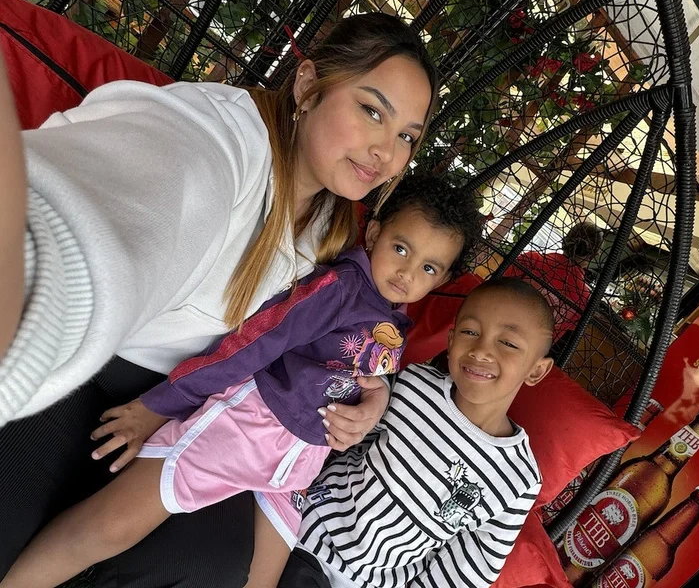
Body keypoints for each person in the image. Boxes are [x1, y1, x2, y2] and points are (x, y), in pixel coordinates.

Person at [0, 13, 438, 587]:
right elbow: (98, 215)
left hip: (192, 404)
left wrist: (366, 400)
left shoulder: (336, 228)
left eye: (407, 136)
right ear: (309, 86)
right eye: (372, 111)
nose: (385, 150)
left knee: (220, 565)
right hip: (89, 372)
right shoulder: (215, 140)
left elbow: (300, 345)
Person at [0, 173, 482, 588]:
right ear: (374, 233)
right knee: (114, 524)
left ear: (440, 280)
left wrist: (378, 397)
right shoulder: (339, 289)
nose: (407, 272)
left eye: (428, 267)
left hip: (298, 463)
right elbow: (253, 343)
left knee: (260, 580)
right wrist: (163, 403)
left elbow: (362, 374)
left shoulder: (392, 317)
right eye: (401, 248)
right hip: (247, 426)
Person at [279, 278, 555, 588]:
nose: (481, 351)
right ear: (451, 341)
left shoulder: (519, 479)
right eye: (470, 332)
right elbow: (349, 421)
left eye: (508, 343)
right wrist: (373, 399)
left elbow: (469, 569)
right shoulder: (413, 384)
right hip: (305, 526)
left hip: (366, 582)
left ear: (536, 370)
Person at [505, 221, 603, 341]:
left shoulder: (530, 260)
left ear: (566, 240)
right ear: (595, 255)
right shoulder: (585, 299)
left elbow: (495, 289)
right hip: (528, 350)